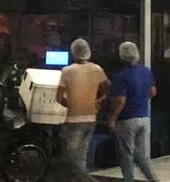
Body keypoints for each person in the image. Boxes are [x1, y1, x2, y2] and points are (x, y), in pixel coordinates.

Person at [56, 38, 109, 182]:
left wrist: (72, 103)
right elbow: (108, 87)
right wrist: (100, 101)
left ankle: (88, 180)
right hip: (91, 118)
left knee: (70, 155)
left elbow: (59, 97)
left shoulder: (67, 71)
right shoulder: (97, 69)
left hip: (74, 119)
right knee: (82, 154)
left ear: (73, 52)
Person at [108, 42, 159, 182]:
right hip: (144, 117)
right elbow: (153, 92)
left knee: (127, 154)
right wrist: (141, 100)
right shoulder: (146, 71)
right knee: (141, 155)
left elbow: (121, 101)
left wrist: (113, 118)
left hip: (128, 118)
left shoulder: (122, 76)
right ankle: (153, 179)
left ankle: (129, 180)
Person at [0, 51, 30, 126]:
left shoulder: (31, 72)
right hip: (10, 109)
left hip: (25, 111)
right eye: (20, 59)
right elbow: (1, 91)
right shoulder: (9, 72)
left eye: (25, 59)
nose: (23, 61)